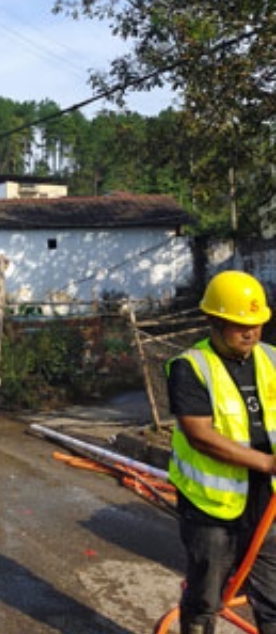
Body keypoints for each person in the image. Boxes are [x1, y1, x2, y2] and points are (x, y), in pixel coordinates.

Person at [166, 270, 276, 634]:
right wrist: (267, 462)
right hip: (211, 507)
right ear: (214, 321)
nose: (251, 333)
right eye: (240, 325)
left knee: (273, 596)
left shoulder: (272, 359)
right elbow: (200, 435)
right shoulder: (191, 367)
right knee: (205, 597)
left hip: (266, 500)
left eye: (256, 324)